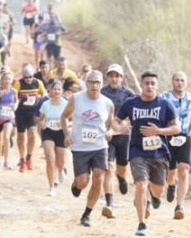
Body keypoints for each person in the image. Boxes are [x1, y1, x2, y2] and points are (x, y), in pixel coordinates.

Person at [115, 71, 181, 236]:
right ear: (141, 85)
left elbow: (177, 127)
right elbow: (116, 120)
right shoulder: (131, 103)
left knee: (158, 191)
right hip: (137, 151)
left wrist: (158, 131)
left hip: (159, 153)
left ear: (157, 86)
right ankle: (141, 224)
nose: (149, 86)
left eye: (153, 84)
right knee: (141, 184)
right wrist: (120, 127)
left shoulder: (165, 104)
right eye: (147, 83)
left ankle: (151, 196)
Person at [60, 70, 115, 227]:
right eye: (91, 82)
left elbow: (110, 124)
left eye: (97, 82)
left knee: (98, 178)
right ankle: (77, 184)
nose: (94, 85)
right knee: (83, 182)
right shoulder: (76, 98)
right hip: (80, 147)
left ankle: (87, 214)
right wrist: (66, 134)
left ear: (102, 84)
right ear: (86, 84)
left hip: (100, 146)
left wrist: (110, 132)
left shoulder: (108, 103)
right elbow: (64, 116)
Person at [161, 72, 191, 220]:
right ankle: (170, 185)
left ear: (186, 82)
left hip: (186, 136)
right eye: (177, 80)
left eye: (182, 80)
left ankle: (179, 206)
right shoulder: (164, 97)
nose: (179, 83)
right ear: (172, 81)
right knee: (170, 172)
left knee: (184, 170)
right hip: (169, 136)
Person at [100, 64, 137, 218]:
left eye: (117, 76)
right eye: (111, 76)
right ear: (107, 77)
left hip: (123, 135)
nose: (114, 79)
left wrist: (127, 123)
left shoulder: (129, 94)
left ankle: (121, 177)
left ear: (121, 78)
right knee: (108, 168)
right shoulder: (101, 92)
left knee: (122, 167)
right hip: (107, 135)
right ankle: (109, 203)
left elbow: (136, 112)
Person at [37, 79, 69, 196]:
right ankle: (51, 186)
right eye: (54, 89)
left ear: (62, 91)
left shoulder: (66, 104)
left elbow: (73, 120)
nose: (56, 91)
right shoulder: (45, 104)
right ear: (50, 90)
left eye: (59, 89)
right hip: (48, 132)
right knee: (50, 158)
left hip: (61, 132)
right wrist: (42, 123)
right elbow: (40, 119)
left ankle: (60, 170)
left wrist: (65, 124)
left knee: (60, 162)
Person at [13, 64, 45, 173]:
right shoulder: (18, 83)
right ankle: (22, 160)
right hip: (21, 113)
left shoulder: (38, 82)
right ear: (23, 76)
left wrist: (39, 98)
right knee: (21, 137)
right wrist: (20, 99)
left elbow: (44, 94)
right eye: (26, 77)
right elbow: (13, 97)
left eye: (30, 77)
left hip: (32, 112)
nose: (28, 79)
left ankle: (29, 158)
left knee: (32, 133)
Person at [0, 70, 18, 172]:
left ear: (11, 81)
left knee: (6, 136)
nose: (7, 81)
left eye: (9, 79)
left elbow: (16, 101)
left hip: (8, 116)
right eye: (5, 79)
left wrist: (15, 106)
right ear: (2, 80)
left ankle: (6, 160)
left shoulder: (14, 91)